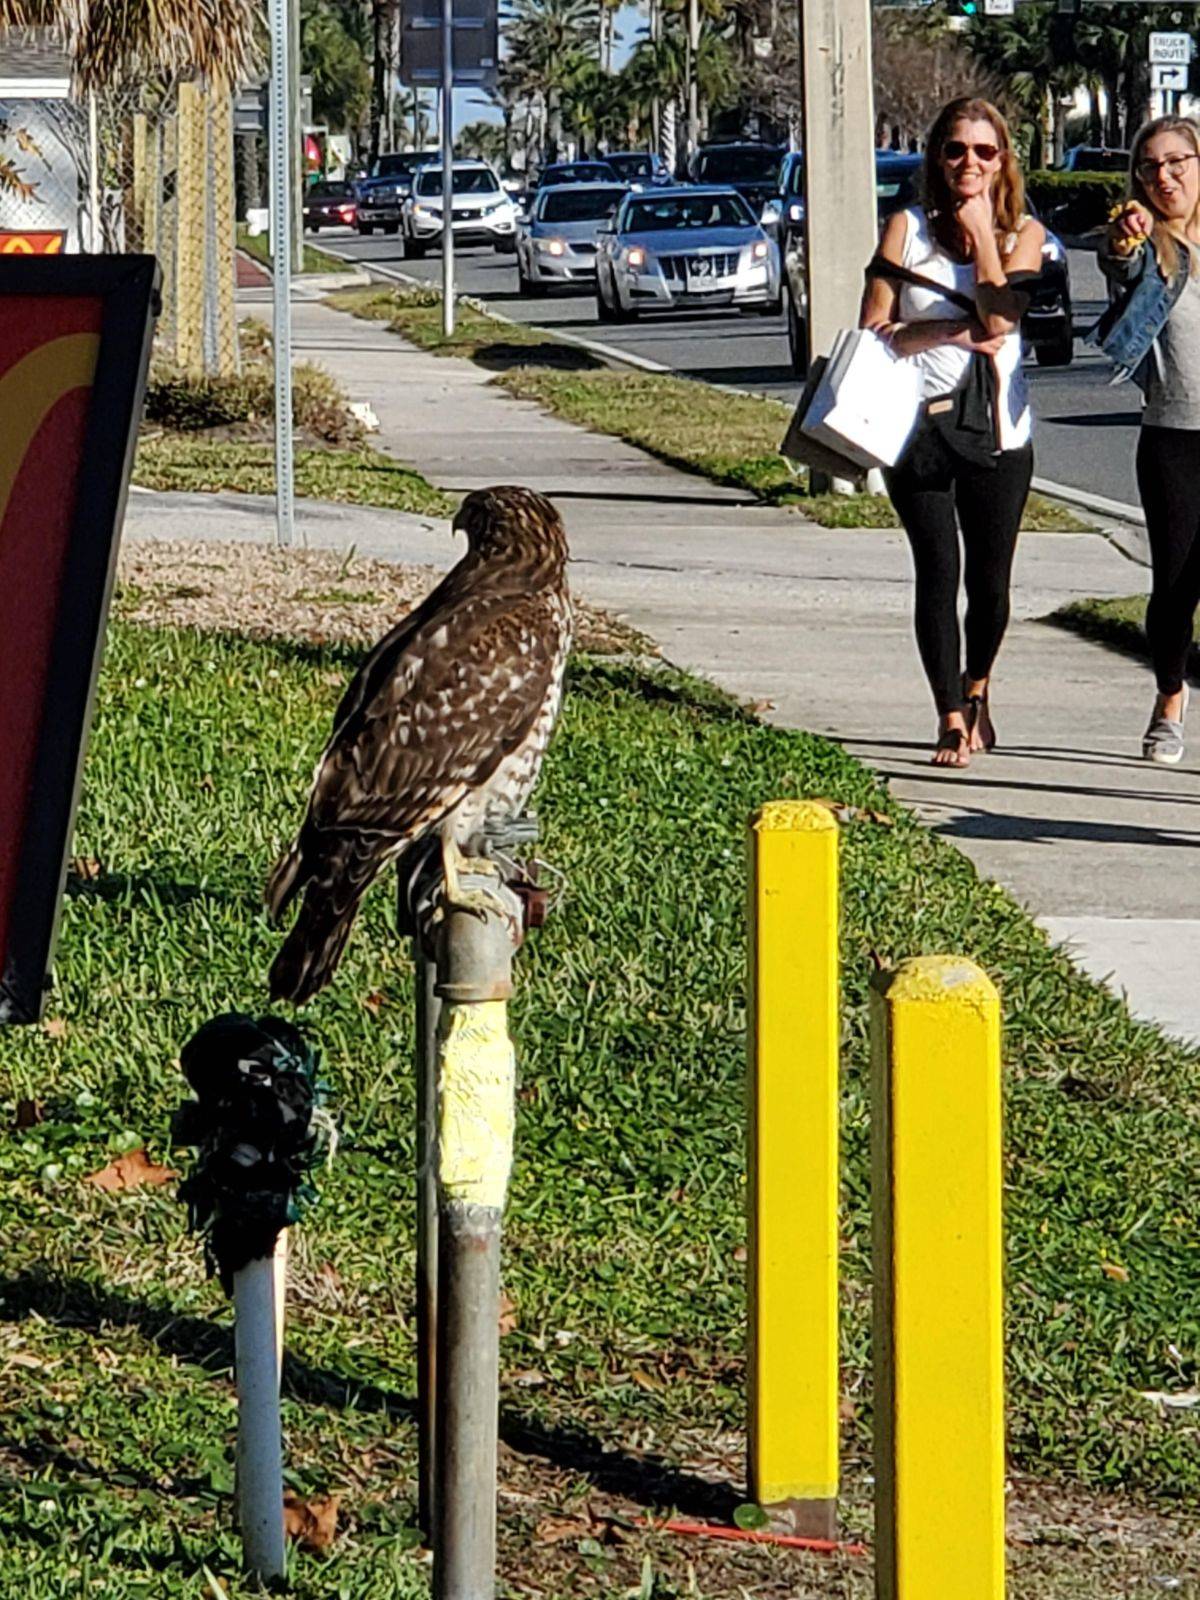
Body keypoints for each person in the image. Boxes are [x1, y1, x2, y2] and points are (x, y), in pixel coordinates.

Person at [860, 97, 1044, 767]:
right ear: (937, 157)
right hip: (917, 429)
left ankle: (977, 691)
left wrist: (984, 238)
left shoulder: (1025, 232)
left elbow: (1001, 320)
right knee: (938, 573)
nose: (970, 162)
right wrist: (943, 332)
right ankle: (947, 717)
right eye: (956, 149)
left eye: (985, 151)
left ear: (1003, 161)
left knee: (990, 587)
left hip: (999, 433)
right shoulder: (905, 228)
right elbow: (875, 326)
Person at [1095, 117, 1200, 765]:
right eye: (1149, 167)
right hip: (1174, 441)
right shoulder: (1152, 249)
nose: (1164, 177)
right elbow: (1119, 262)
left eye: (1177, 162)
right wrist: (1122, 240)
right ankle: (1169, 697)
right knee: (1176, 587)